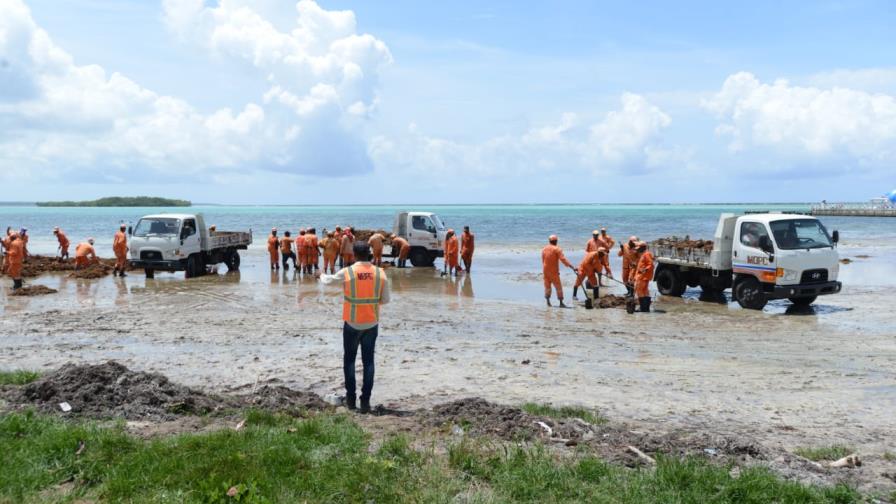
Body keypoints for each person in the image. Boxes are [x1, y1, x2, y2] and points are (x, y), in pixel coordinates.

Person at [317, 241, 391, 413]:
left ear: (354, 254)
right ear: (369, 253)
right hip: (371, 323)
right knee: (369, 362)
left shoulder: (348, 271)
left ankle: (351, 400)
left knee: (349, 361)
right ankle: (365, 401)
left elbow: (329, 281)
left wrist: (320, 274)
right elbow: (386, 300)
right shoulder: (380, 273)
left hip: (352, 323)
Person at [541, 235, 577, 307]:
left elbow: (543, 260)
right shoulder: (557, 249)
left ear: (549, 241)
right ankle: (561, 303)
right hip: (553, 272)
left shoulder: (544, 249)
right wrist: (572, 267)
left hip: (545, 270)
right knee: (558, 287)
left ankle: (548, 302)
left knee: (547, 286)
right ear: (556, 241)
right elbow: (563, 260)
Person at [634, 241, 655, 312]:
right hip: (644, 276)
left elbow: (651, 264)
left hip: (642, 276)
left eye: (639, 248)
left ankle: (642, 308)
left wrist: (644, 270)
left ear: (643, 247)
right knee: (645, 291)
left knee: (639, 291)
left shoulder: (646, 254)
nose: (637, 250)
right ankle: (645, 308)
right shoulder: (644, 254)